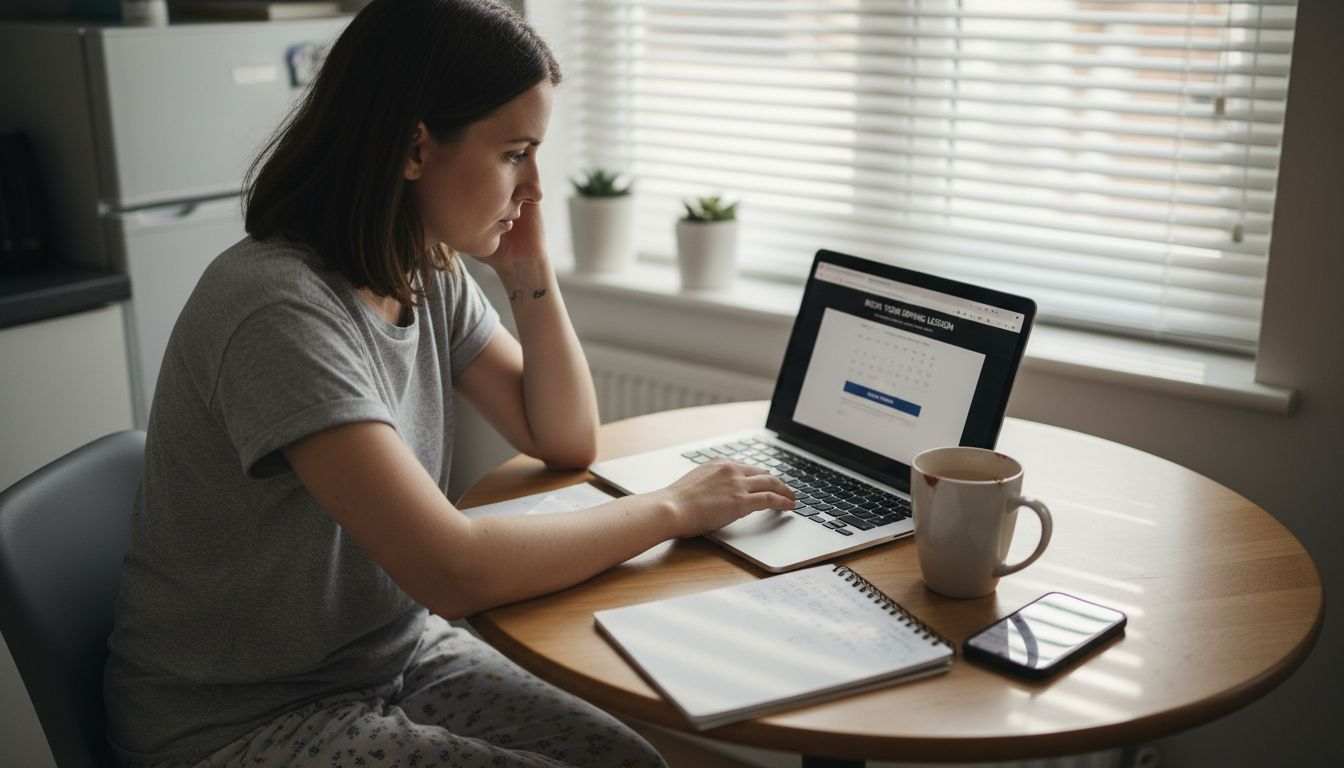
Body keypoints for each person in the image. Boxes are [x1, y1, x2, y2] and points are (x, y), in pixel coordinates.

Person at [101, 1, 794, 766]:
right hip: (241, 721)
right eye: (515, 153)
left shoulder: (420, 269)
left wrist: (527, 269)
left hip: (388, 659)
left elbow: (561, 435)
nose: (534, 185)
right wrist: (672, 508)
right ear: (414, 149)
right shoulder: (278, 309)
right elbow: (453, 570)